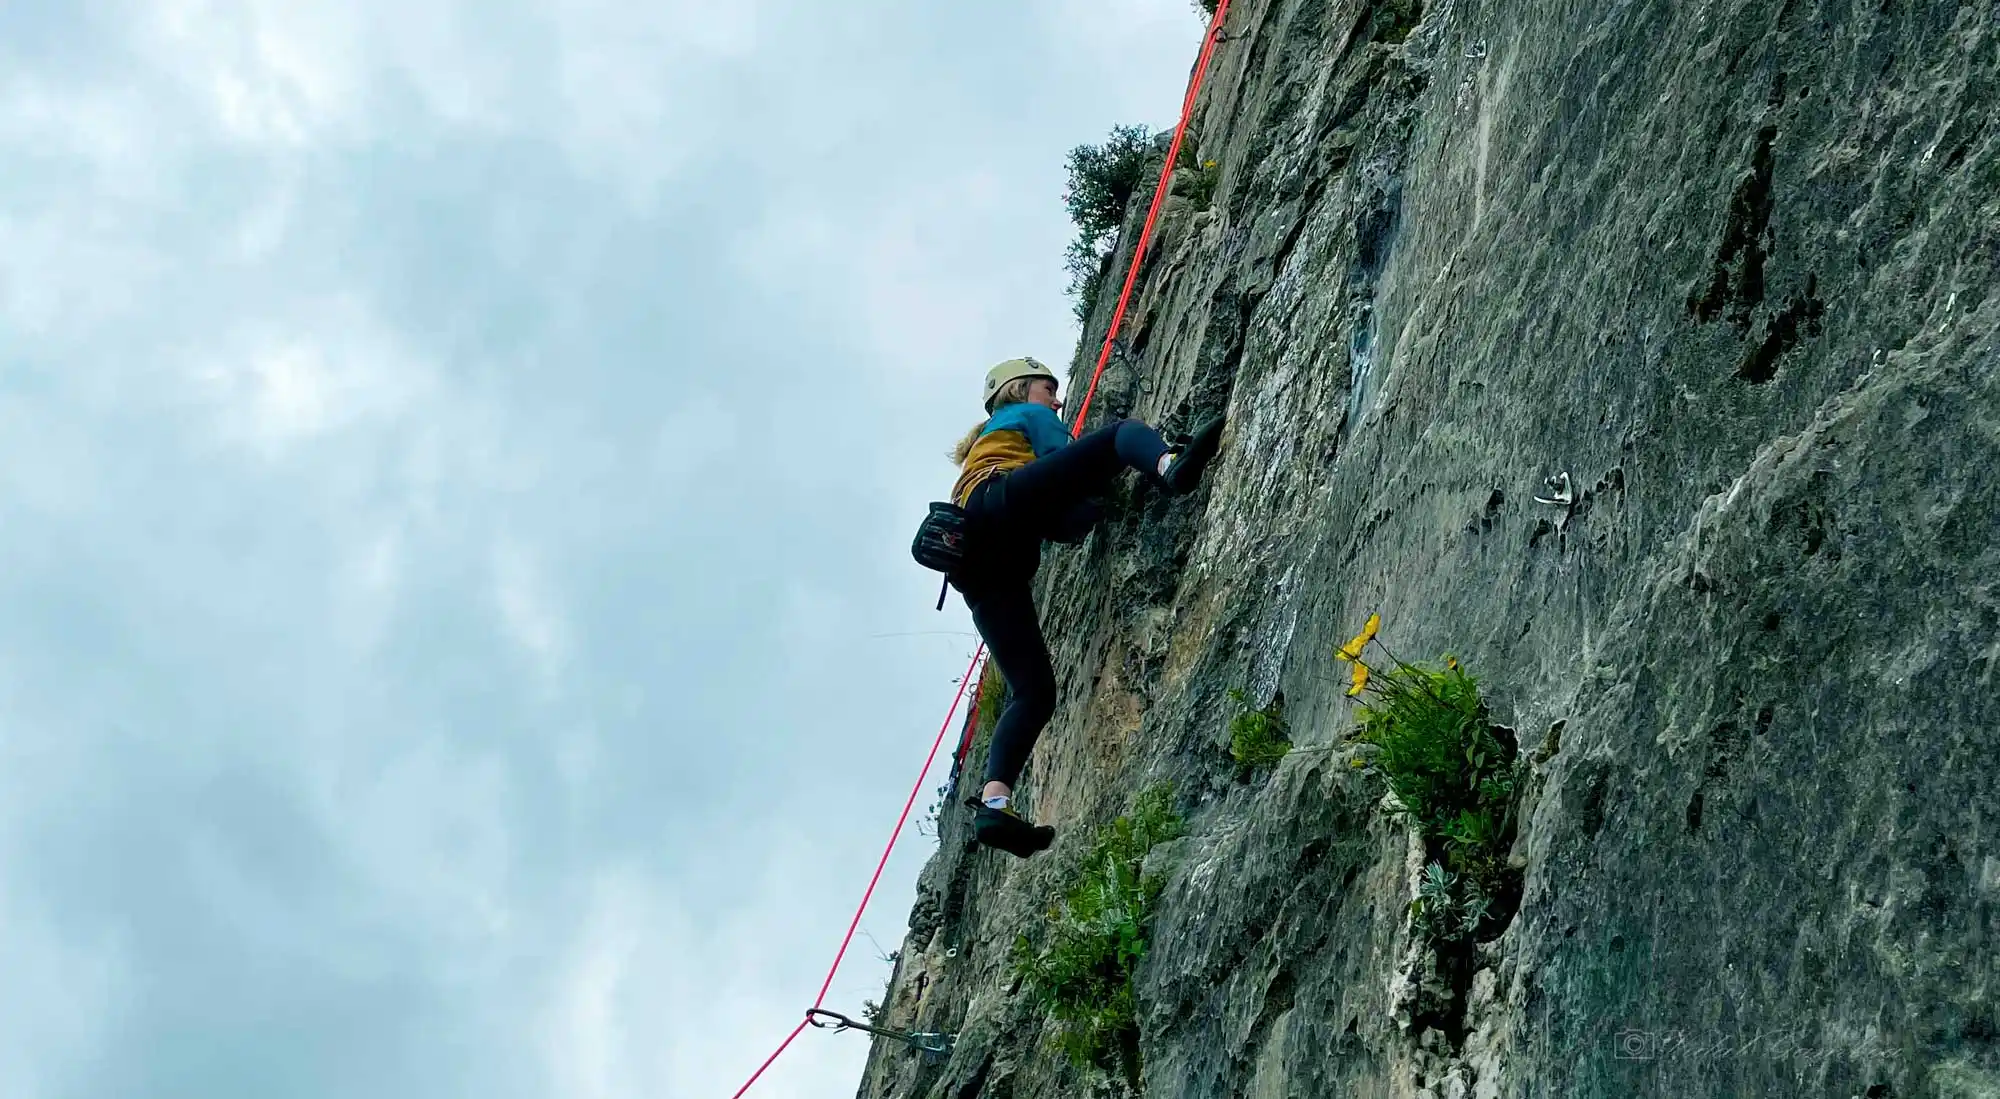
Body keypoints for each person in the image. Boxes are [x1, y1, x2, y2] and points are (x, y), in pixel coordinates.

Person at [946, 356, 1226, 857]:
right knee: (1122, 434)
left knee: (1032, 694)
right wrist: (1114, 467)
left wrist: (1083, 514)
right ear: (1018, 390)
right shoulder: (1022, 418)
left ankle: (994, 804)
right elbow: (1072, 459)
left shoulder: (981, 453)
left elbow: (1062, 518)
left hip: (976, 565)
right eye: (1047, 389)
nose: (1057, 400)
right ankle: (1171, 465)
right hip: (1001, 509)